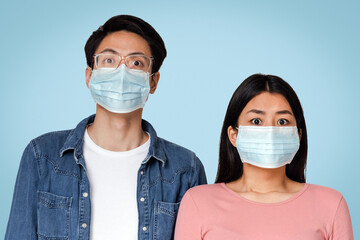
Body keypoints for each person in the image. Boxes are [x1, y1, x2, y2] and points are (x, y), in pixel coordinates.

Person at [5, 15, 207, 240]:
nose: (122, 72)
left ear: (153, 81)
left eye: (136, 63)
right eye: (109, 60)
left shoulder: (185, 169)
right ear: (90, 76)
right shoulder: (42, 156)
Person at [174, 74, 353, 239]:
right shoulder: (198, 202)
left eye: (282, 122)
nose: (271, 131)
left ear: (298, 135)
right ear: (234, 135)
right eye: (256, 121)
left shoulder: (331, 204)